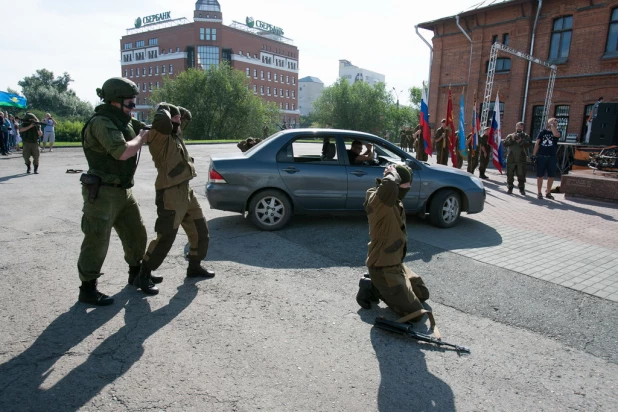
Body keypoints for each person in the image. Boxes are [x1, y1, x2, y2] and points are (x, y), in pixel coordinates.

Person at [77, 77, 150, 305]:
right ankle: (88, 289)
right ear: (114, 101)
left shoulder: (123, 120)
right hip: (103, 193)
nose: (133, 108)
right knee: (97, 241)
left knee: (136, 233)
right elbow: (121, 152)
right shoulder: (102, 122)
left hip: (123, 191)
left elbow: (148, 130)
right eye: (129, 103)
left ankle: (136, 275)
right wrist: (141, 138)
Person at [133, 102, 215, 295]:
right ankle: (143, 274)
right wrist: (164, 107)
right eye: (175, 118)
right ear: (167, 119)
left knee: (200, 230)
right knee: (166, 237)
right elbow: (162, 119)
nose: (179, 121)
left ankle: (194, 266)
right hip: (170, 192)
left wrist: (176, 112)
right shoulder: (159, 134)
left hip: (186, 190)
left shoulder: (175, 133)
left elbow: (187, 115)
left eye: (178, 119)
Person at [355, 164, 430, 321]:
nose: (409, 187)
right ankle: (372, 287)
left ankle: (378, 287)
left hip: (396, 264)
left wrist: (402, 173)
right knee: (415, 315)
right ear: (395, 182)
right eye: (406, 184)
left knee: (422, 293)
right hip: (382, 268)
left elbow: (391, 187)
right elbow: (388, 186)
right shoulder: (379, 202)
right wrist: (392, 174)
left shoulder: (395, 199)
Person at [532, 117, 561, 200]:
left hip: (551, 156)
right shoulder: (543, 132)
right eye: (553, 121)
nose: (555, 123)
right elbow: (537, 143)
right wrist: (534, 155)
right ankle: (539, 192)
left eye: (556, 122)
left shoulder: (558, 132)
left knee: (551, 176)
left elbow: (556, 135)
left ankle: (548, 192)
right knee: (540, 175)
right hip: (541, 156)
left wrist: (552, 126)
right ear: (548, 123)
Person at [503, 122, 531, 195]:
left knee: (521, 175)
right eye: (518, 126)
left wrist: (521, 141)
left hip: (521, 159)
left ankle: (521, 188)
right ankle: (510, 188)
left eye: (521, 127)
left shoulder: (525, 136)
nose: (519, 128)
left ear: (523, 128)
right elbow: (505, 144)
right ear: (516, 127)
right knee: (509, 174)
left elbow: (528, 144)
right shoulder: (510, 135)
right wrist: (512, 139)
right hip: (511, 159)